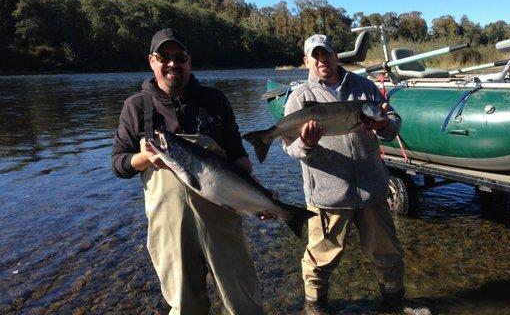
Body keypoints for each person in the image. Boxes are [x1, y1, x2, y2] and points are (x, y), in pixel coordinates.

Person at [112, 28, 265, 315]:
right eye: (164, 57)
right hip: (168, 227)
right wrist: (144, 159)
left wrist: (256, 198)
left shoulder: (215, 100)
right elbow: (118, 163)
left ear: (189, 61)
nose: (172, 63)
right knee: (184, 307)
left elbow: (239, 157)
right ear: (151, 61)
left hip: (222, 217)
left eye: (179, 56)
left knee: (245, 302)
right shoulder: (136, 107)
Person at [282, 34, 406, 314]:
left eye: (326, 53)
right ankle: (315, 306)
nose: (321, 60)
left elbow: (393, 125)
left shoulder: (364, 87)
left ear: (336, 55)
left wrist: (383, 123)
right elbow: (289, 147)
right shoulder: (300, 97)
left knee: (388, 254)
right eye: (315, 56)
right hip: (328, 195)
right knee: (319, 260)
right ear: (306, 61)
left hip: (373, 189)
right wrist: (307, 143)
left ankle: (394, 303)